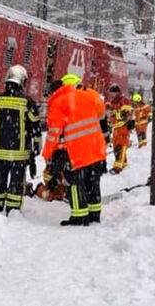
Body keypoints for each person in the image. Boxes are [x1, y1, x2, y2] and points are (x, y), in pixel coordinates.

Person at [42, 72, 108, 226]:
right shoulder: (90, 95)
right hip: (96, 147)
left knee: (76, 184)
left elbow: (54, 133)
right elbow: (101, 114)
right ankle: (94, 215)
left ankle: (79, 217)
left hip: (77, 151)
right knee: (93, 183)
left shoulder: (59, 102)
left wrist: (47, 154)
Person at [0, 65, 42, 214]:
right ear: (22, 81)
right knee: (16, 181)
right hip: (19, 153)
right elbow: (35, 127)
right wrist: (35, 148)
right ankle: (13, 208)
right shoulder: (27, 102)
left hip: (0, 151)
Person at [106, 84, 135, 174]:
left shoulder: (123, 101)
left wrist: (126, 120)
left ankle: (118, 167)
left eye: (112, 93)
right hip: (116, 127)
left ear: (117, 92)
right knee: (116, 147)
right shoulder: (113, 102)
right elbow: (111, 114)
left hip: (123, 127)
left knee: (120, 147)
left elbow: (128, 114)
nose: (111, 95)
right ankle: (124, 163)